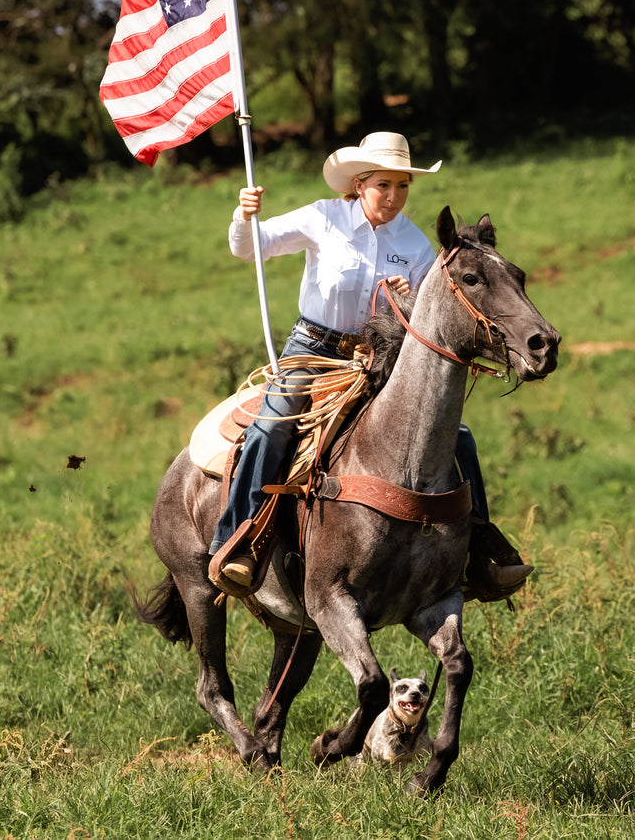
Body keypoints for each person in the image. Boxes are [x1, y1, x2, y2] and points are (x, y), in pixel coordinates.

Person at [211, 131, 532, 601]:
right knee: (273, 423)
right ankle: (238, 541)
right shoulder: (323, 218)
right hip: (313, 350)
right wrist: (244, 215)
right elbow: (249, 247)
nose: (395, 196)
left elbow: (434, 312)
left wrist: (409, 299)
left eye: (403, 186)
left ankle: (478, 544)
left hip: (382, 357)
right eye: (384, 185)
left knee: (457, 436)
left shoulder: (419, 244)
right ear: (359, 184)